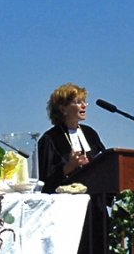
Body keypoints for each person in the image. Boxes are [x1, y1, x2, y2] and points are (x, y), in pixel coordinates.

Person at [36, 83, 109, 254]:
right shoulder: (49, 139)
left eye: (84, 102)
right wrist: (67, 168)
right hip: (67, 212)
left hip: (95, 207)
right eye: (78, 102)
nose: (84, 106)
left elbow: (106, 163)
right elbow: (44, 181)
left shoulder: (90, 134)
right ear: (63, 108)